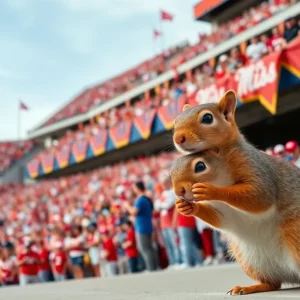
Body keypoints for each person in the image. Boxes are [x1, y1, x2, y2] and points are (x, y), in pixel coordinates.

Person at [125, 181, 158, 272]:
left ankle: (151, 268)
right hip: (146, 225)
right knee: (149, 248)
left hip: (142, 227)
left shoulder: (140, 199)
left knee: (144, 248)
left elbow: (134, 212)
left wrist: (127, 206)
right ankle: (153, 267)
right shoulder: (146, 199)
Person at [154, 178, 181, 268]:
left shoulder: (172, 192)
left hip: (170, 222)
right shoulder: (162, 194)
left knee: (174, 243)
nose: (163, 186)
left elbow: (168, 205)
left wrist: (161, 204)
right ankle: (172, 262)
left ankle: (178, 261)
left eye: (164, 184)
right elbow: (156, 207)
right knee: (168, 245)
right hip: (163, 224)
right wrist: (162, 204)